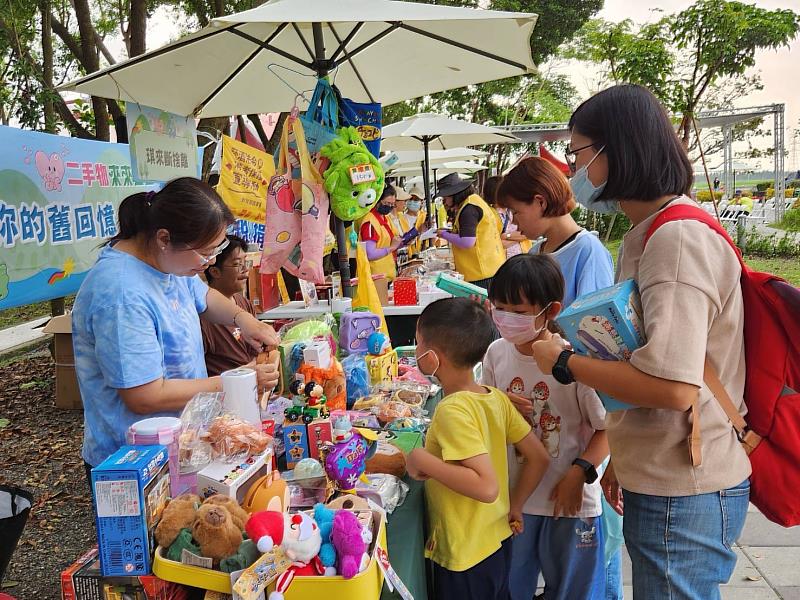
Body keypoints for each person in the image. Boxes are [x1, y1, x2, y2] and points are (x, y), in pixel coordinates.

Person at [531, 84, 751, 600]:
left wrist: (565, 362)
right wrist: (622, 461)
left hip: (685, 483)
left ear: (615, 150)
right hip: (660, 472)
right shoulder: (649, 231)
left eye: (578, 153)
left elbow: (674, 387)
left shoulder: (676, 240)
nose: (574, 169)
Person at [72, 178, 280, 480]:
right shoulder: (120, 293)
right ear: (164, 238)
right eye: (205, 253)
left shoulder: (168, 262)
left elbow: (203, 297)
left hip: (183, 445)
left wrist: (243, 320)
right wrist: (237, 379)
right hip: (136, 463)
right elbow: (144, 395)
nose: (209, 262)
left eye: (215, 249)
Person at [497, 155, 622, 599]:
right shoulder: (537, 254)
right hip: (541, 396)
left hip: (576, 396)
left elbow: (596, 332)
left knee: (585, 562)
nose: (514, 221)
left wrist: (590, 467)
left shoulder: (587, 251)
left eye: (516, 211)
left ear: (539, 200)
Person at [405, 298, 550, 600]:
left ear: (434, 357)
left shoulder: (451, 410)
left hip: (465, 554)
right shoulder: (494, 397)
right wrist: (517, 505)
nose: (416, 352)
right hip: (497, 539)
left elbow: (485, 486)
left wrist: (421, 459)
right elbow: (538, 457)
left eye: (418, 345)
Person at [482, 254, 609, 600]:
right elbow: (485, 419)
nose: (507, 318)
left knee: (574, 591)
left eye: (519, 312)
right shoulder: (496, 353)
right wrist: (498, 406)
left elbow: (607, 428)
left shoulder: (573, 362)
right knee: (512, 588)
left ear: (550, 311)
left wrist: (579, 472)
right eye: (499, 307)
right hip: (516, 503)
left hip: (567, 502)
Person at [200, 234, 273, 378]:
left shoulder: (244, 304)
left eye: (246, 262)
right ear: (215, 271)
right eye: (237, 264)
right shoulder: (203, 317)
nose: (245, 269)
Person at [435, 173, 506, 290]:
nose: (445, 202)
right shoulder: (475, 201)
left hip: (480, 273)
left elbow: (467, 242)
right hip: (491, 267)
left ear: (455, 195)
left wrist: (444, 234)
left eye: (446, 198)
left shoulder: (468, 209)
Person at [358, 185, 404, 281]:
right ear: (378, 200)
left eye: (392, 204)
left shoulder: (386, 218)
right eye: (387, 203)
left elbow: (393, 240)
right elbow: (370, 254)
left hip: (388, 274)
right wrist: (392, 248)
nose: (390, 207)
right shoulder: (370, 222)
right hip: (375, 277)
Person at [483, 175, 531, 258]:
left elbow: (528, 233)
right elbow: (496, 244)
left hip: (524, 256)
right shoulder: (489, 215)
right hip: (502, 262)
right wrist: (517, 238)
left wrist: (506, 236)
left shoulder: (514, 210)